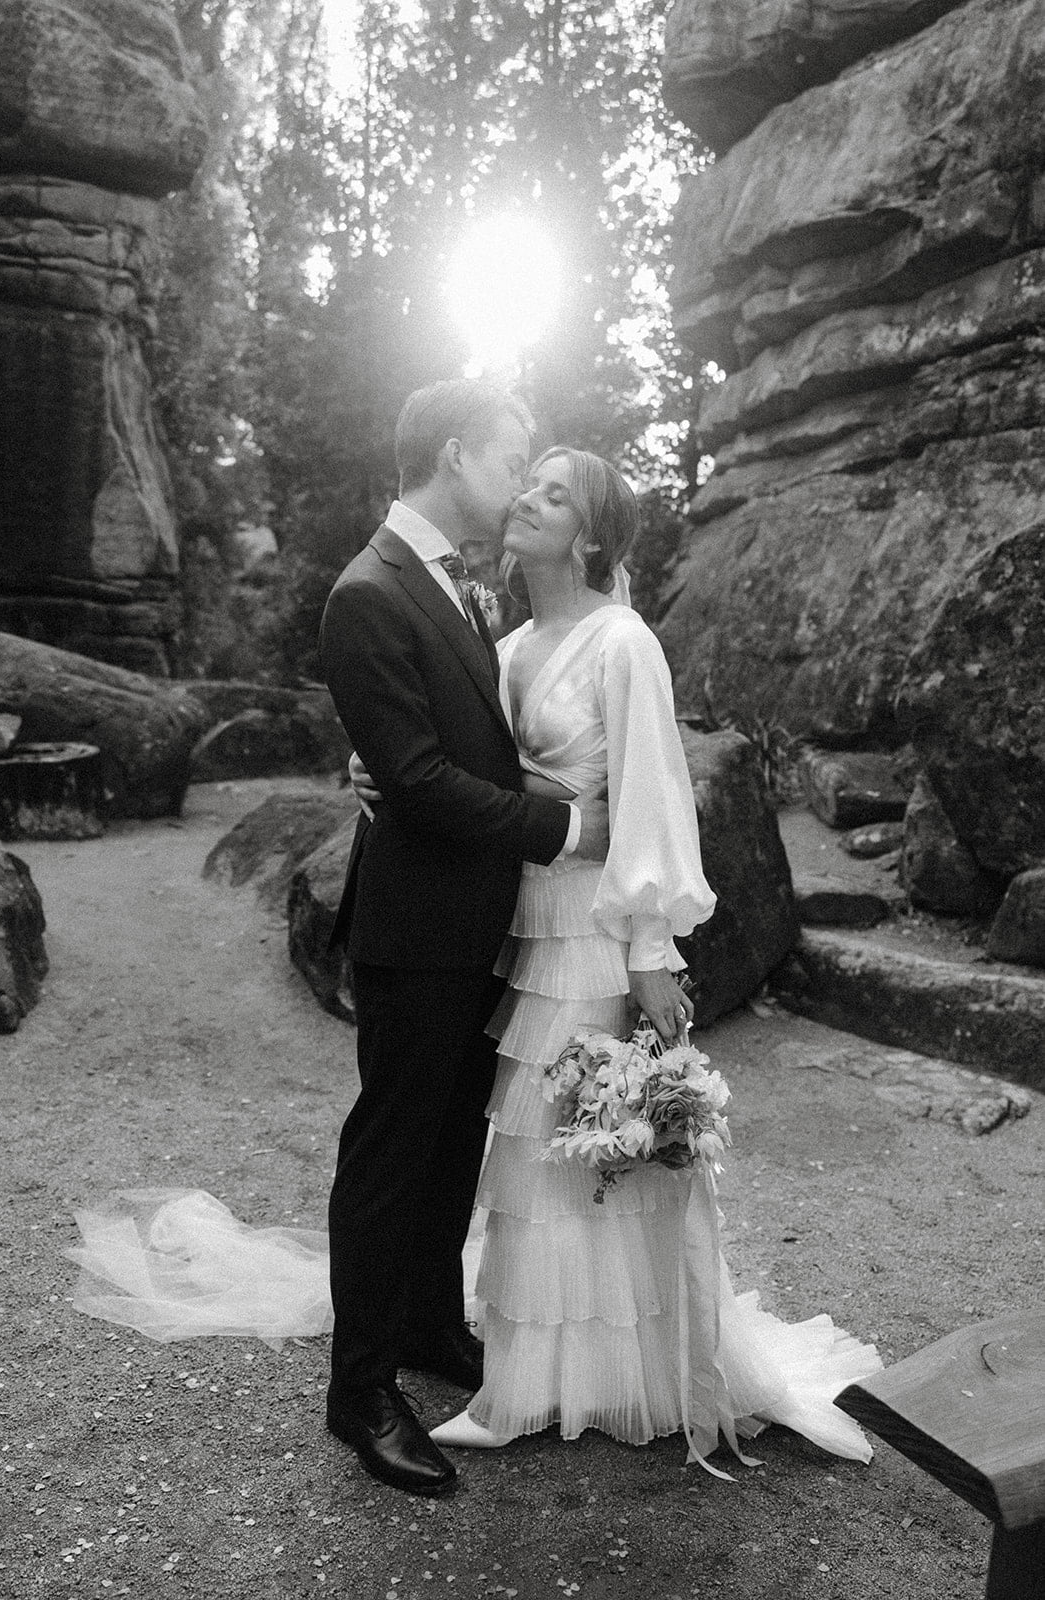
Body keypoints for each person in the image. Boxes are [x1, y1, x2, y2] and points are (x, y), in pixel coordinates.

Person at [405, 446, 882, 1465]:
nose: (526, 500)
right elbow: (469, 777)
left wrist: (651, 952)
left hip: (591, 930)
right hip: (519, 923)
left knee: (566, 1143)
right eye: (527, 484)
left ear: (588, 535)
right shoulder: (508, 644)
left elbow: (654, 801)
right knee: (550, 1147)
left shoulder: (623, 643)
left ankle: (527, 1393)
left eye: (553, 495)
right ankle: (574, 1371)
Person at [315, 383, 608, 1498]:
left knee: (450, 1143)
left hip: (476, 920)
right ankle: (359, 1391)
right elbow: (424, 780)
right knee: (391, 1152)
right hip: (413, 925)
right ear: (453, 455)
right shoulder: (367, 591)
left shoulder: (452, 582)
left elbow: (449, 741)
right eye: (510, 459)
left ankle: (430, 1325)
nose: (521, 481)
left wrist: (382, 763)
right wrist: (567, 829)